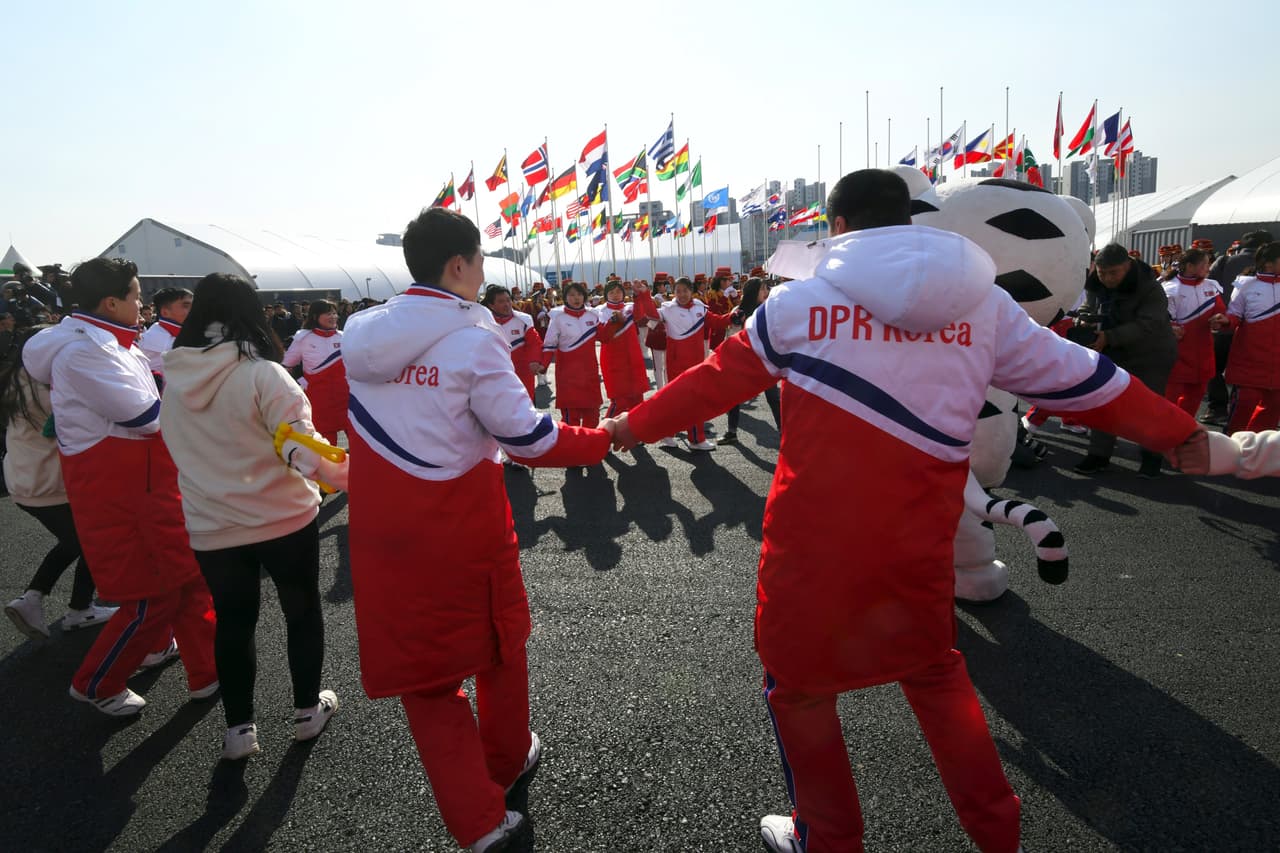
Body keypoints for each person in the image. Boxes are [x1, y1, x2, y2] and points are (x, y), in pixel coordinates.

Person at [605, 169, 1204, 853]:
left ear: (837, 227)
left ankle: (827, 838)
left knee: (799, 694)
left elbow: (710, 385)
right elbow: (1086, 378)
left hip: (812, 551)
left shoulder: (796, 305)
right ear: (911, 217)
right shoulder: (983, 304)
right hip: (917, 546)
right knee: (937, 676)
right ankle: (998, 833)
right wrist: (1182, 435)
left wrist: (626, 427)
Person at [342, 208, 612, 853]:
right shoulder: (474, 335)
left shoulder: (359, 333)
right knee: (500, 643)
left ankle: (479, 821)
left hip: (382, 530)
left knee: (426, 680)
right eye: (482, 260)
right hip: (464, 527)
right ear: (459, 265)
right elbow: (527, 437)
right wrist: (603, 438)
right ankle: (506, 761)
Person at [22, 258, 218, 717]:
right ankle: (96, 684)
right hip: (124, 495)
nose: (141, 306)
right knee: (153, 594)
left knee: (188, 579)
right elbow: (146, 417)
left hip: (149, 485)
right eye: (136, 296)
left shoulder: (110, 344)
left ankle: (205, 671)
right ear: (111, 302)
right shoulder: (85, 352)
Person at [161, 273, 344, 760]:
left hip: (211, 522)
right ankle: (307, 711)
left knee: (234, 622)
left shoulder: (174, 378)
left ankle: (239, 729)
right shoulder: (263, 373)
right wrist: (347, 475)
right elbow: (299, 446)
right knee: (301, 612)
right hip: (282, 515)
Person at [3, 325, 117, 639]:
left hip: (23, 480)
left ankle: (44, 600)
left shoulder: (16, 381)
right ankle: (68, 606)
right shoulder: (47, 388)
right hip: (49, 484)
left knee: (80, 540)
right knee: (91, 541)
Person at [1072, 244, 1179, 477]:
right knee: (1104, 401)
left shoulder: (1150, 287)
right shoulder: (1096, 282)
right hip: (1112, 349)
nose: (1107, 279)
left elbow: (1148, 324)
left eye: (1114, 273)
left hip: (1152, 353)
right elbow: (1088, 304)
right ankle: (1098, 455)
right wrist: (1084, 318)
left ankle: (1152, 457)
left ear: (1128, 265)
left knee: (1149, 407)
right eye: (1103, 273)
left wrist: (1109, 337)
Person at [651, 276, 733, 450]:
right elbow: (648, 317)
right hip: (676, 364)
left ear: (691, 291)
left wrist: (733, 317)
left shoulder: (700, 307)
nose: (682, 294)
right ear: (674, 292)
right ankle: (668, 433)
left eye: (685, 291)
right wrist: (642, 295)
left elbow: (716, 321)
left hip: (695, 363)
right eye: (678, 291)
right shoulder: (667, 309)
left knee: (695, 401)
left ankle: (695, 439)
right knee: (677, 401)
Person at [1204, 230, 1274, 424]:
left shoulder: (1225, 261)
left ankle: (1217, 408)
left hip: (1225, 327)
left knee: (1215, 370)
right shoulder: (1258, 275)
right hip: (1254, 336)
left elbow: (1208, 288)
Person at [1163, 249, 1225, 418]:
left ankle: (1184, 430)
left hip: (1203, 354)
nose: (1208, 268)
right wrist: (1171, 327)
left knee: (1194, 400)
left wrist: (1220, 320)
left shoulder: (1211, 286)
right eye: (1204, 264)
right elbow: (1161, 320)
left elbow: (1221, 311)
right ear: (1190, 266)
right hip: (1177, 355)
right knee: (1169, 402)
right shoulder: (1170, 288)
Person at [719, 277, 781, 445]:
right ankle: (732, 432)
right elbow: (731, 336)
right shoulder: (739, 311)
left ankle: (784, 432)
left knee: (773, 398)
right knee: (733, 396)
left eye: (766, 288)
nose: (766, 292)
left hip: (763, 361)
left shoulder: (768, 309)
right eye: (763, 289)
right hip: (743, 361)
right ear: (754, 292)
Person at [282, 300, 348, 445]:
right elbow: (286, 366)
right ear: (315, 316)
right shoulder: (303, 338)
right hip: (319, 400)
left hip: (346, 397)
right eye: (328, 313)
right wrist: (300, 382)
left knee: (357, 439)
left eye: (334, 313)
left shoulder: (345, 337)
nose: (333, 317)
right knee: (325, 444)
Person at [540, 281, 603, 428]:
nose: (576, 298)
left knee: (593, 415)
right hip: (568, 375)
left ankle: (591, 441)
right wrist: (543, 366)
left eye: (579, 294)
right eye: (572, 295)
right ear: (565, 297)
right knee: (571, 418)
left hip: (590, 373)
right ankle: (572, 443)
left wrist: (615, 322)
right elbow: (549, 344)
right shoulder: (558, 317)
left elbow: (605, 337)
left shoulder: (593, 315)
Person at [480, 285, 544, 402]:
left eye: (508, 300)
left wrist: (534, 360)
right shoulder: (482, 323)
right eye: (501, 301)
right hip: (495, 375)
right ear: (491, 305)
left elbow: (534, 343)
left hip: (522, 374)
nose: (507, 304)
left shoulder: (523, 320)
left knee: (525, 405)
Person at [595, 279, 649, 417]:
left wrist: (639, 294)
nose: (615, 295)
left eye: (618, 291)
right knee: (619, 402)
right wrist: (614, 321)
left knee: (637, 400)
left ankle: (635, 430)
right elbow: (602, 336)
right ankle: (606, 429)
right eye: (611, 292)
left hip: (633, 359)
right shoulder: (600, 311)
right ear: (606, 294)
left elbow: (642, 316)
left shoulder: (630, 307)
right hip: (614, 361)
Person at [137, 286, 193, 388]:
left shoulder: (161, 332)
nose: (193, 310)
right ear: (165, 312)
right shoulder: (156, 343)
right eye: (186, 306)